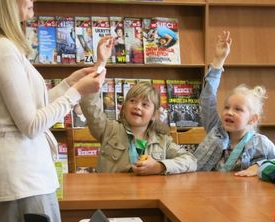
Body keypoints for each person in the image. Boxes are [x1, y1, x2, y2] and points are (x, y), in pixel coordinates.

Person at [0, 0, 103, 222]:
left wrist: (69, 83)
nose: (31, 0)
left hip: (17, 175)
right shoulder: (1, 49)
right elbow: (32, 124)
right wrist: (77, 91)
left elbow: (29, 109)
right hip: (20, 178)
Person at [80, 36, 196, 175]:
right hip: (112, 193)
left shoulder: (162, 140)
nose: (138, 107)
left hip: (149, 194)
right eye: (133, 101)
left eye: (145, 104)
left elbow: (191, 160)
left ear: (154, 115)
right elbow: (89, 105)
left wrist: (160, 166)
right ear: (124, 107)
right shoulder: (108, 130)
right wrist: (100, 63)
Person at [194, 31, 275, 173]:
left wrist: (260, 166)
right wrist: (218, 61)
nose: (229, 112)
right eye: (226, 107)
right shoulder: (215, 129)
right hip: (209, 192)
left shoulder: (261, 143)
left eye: (238, 109)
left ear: (253, 119)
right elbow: (207, 99)